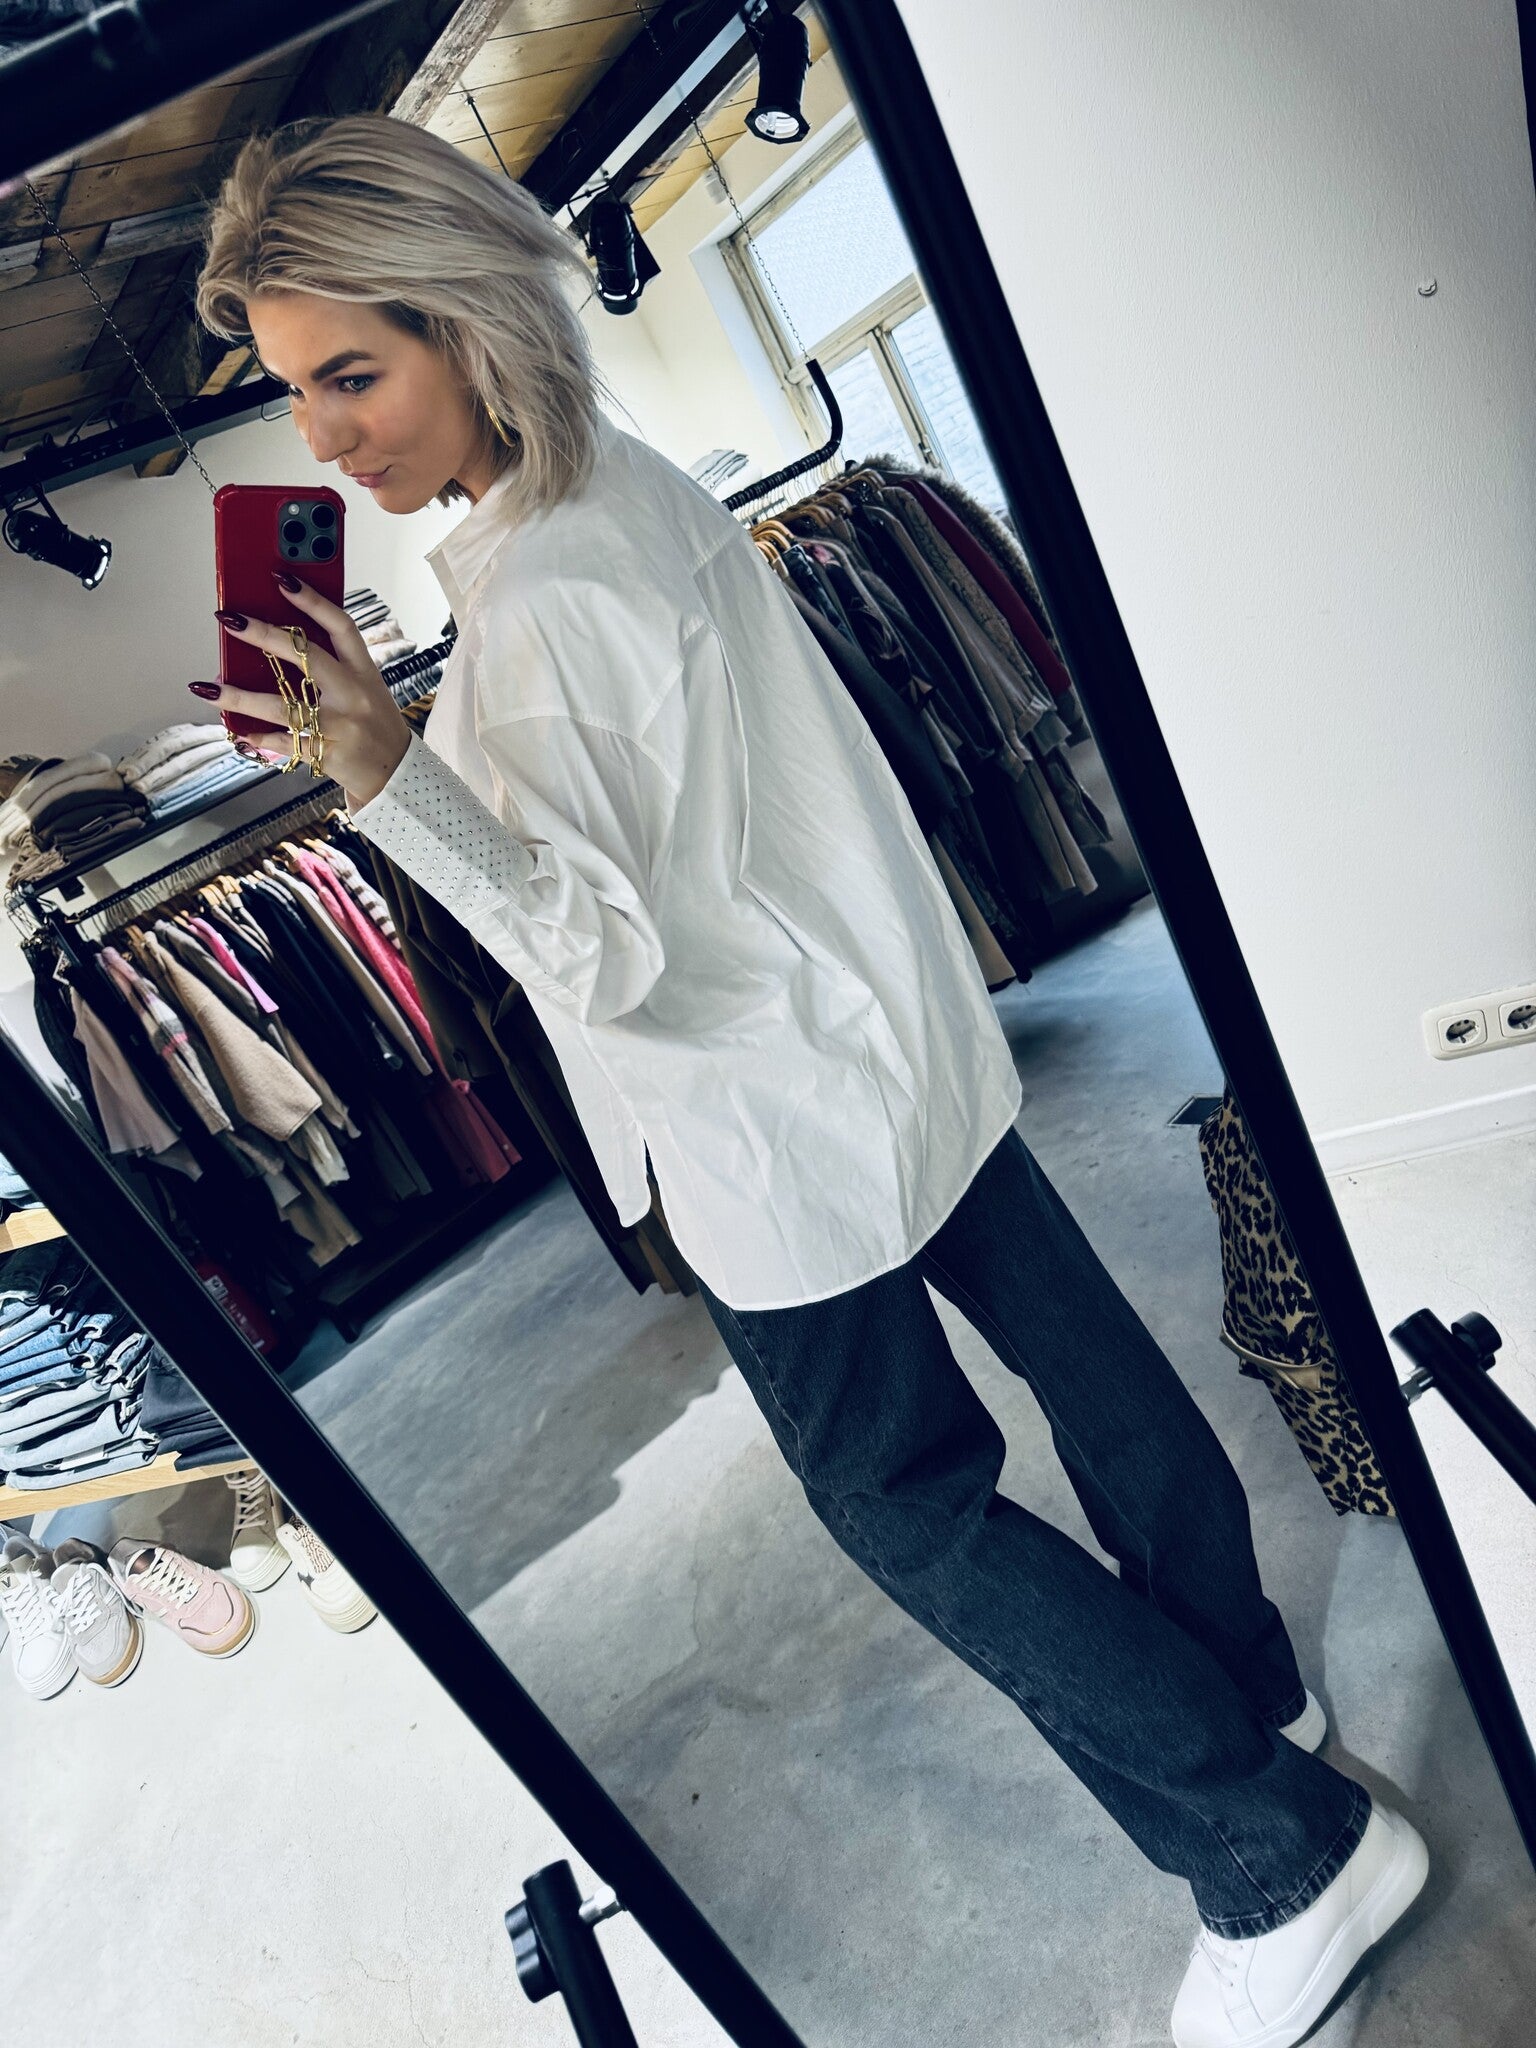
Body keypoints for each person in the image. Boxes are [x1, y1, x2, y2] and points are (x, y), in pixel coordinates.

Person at [192, 115, 1426, 2046]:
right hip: (886, 1035)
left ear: (469, 320)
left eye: (354, 372)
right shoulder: (617, 493)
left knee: (906, 1502)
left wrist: (387, 779)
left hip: (762, 1116)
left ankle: (1278, 1851)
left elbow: (604, 951)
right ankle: (1254, 1693)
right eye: (294, 390)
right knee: (1098, 1382)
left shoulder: (549, 595)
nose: (323, 436)